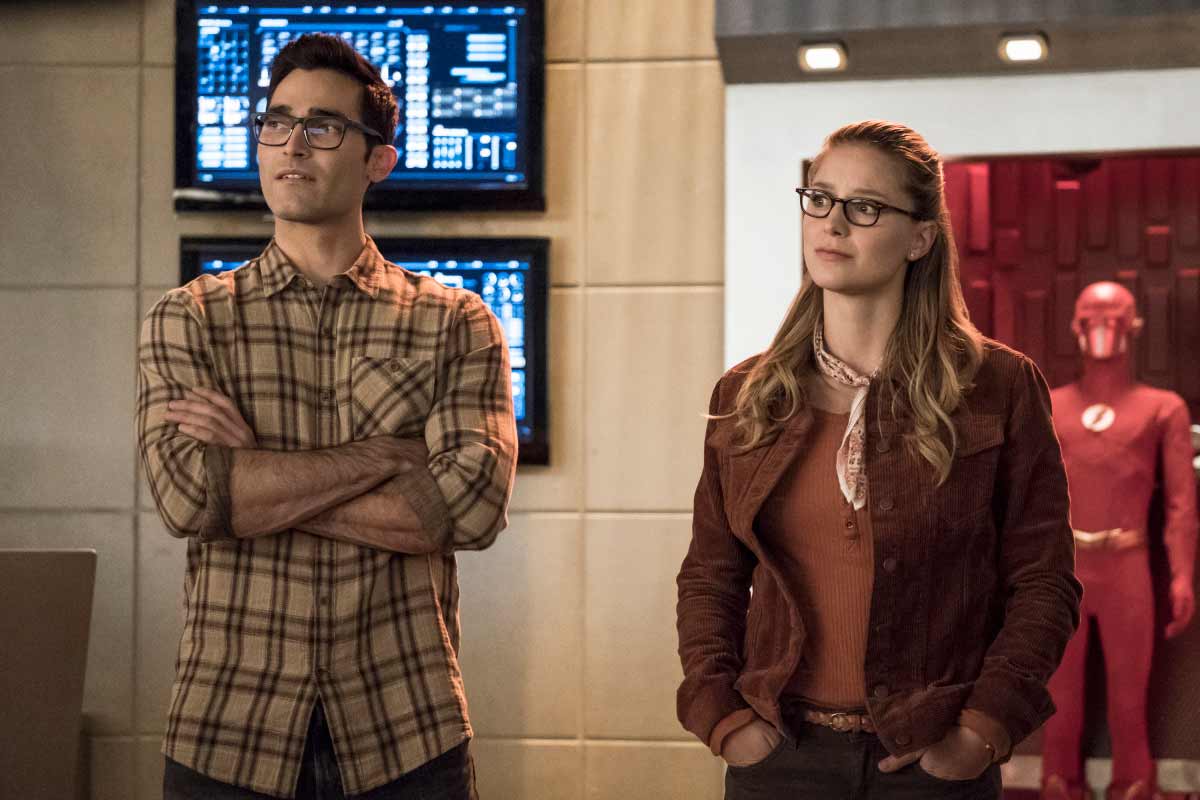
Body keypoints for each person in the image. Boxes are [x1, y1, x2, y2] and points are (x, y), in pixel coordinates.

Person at [136, 33, 516, 799]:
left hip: (407, 728)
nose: (293, 144)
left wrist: (254, 479)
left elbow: (467, 510)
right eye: (277, 121)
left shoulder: (455, 320)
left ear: (380, 159)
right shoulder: (189, 316)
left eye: (324, 126)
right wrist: (389, 456)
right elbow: (190, 499)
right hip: (228, 728)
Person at [675, 119, 1083, 800]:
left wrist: (980, 732)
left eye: (864, 206)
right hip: (781, 757)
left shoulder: (998, 387)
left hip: (930, 761)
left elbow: (1044, 582)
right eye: (819, 198)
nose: (832, 224)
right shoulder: (748, 395)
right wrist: (722, 717)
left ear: (920, 238)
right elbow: (710, 576)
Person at [1041, 282, 1197, 800]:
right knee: (1059, 694)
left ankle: (1135, 781)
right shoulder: (1051, 405)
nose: (1103, 327)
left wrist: (1182, 575)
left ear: (1134, 326)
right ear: (1075, 325)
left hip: (1127, 563)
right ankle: (1059, 781)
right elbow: (1025, 502)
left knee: (1130, 695)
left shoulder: (1162, 408)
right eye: (1092, 315)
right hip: (1065, 568)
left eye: (1114, 315)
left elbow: (1181, 504)